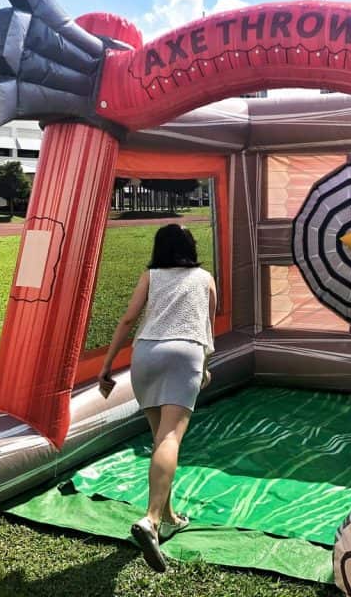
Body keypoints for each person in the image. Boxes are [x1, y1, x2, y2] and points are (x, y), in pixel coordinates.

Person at [97, 224, 216, 573]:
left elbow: (129, 319)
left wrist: (105, 368)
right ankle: (150, 519)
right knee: (170, 438)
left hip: (146, 356)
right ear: (190, 248)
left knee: (160, 439)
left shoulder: (150, 275)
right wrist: (204, 367)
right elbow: (206, 328)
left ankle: (169, 516)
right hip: (185, 354)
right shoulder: (205, 278)